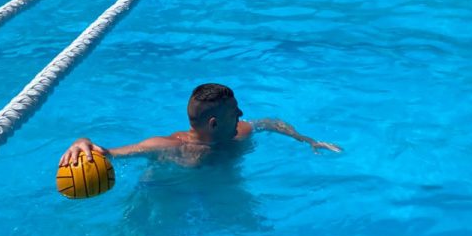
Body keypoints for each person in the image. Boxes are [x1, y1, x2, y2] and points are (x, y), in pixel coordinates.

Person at [59, 82, 341, 168]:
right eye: (234, 112)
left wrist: (307, 140)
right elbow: (109, 153)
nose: (241, 114)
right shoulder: (169, 148)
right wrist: (81, 141)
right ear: (214, 123)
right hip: (168, 193)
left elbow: (270, 123)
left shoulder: (240, 132)